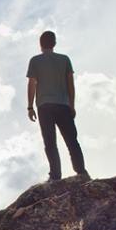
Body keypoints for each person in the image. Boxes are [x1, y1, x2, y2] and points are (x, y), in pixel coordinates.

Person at [26, 31, 90, 182]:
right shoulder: (64, 59)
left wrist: (30, 106)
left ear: (40, 44)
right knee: (71, 140)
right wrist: (72, 105)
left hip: (44, 106)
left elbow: (32, 84)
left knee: (50, 142)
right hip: (63, 105)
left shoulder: (35, 61)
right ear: (54, 44)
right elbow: (70, 85)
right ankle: (81, 172)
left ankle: (55, 176)